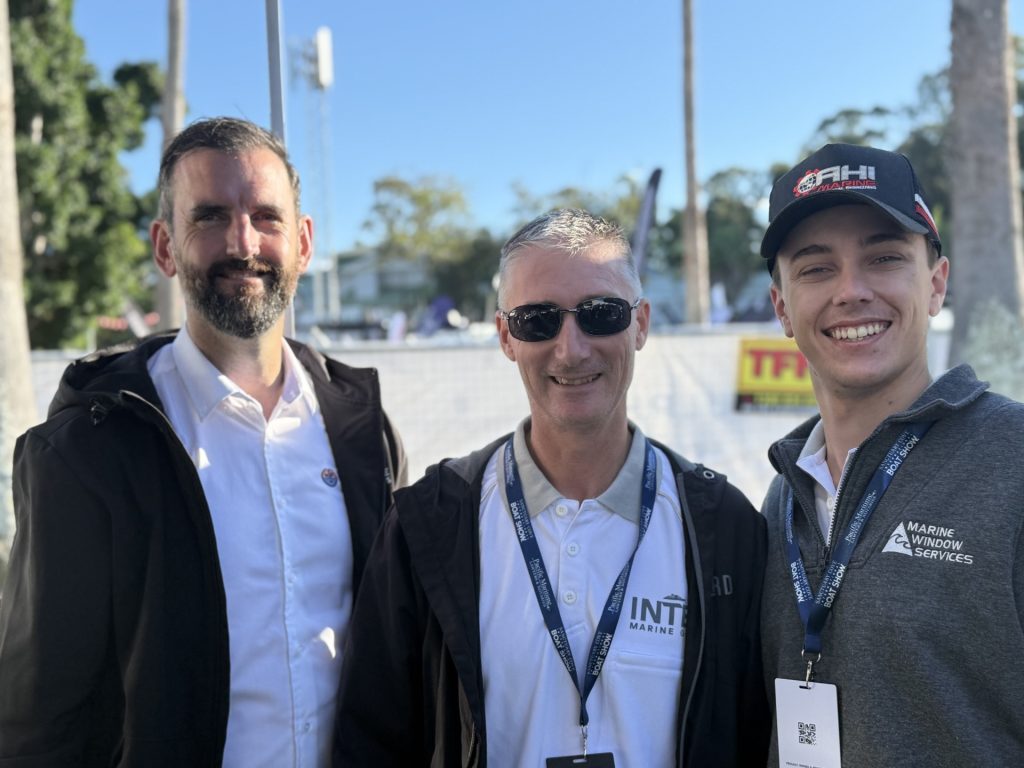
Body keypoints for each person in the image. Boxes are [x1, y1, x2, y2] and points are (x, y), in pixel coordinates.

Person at [0, 116, 406, 766]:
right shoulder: (87, 449)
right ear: (165, 247)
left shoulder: (363, 433)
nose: (243, 242)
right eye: (211, 217)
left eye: (266, 217)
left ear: (303, 242)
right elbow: (42, 711)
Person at [334, 208, 769, 767]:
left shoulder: (723, 527)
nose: (571, 349)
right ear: (505, 337)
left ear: (640, 324)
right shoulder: (431, 522)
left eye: (601, 314)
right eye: (538, 320)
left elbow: (756, 736)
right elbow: (372, 740)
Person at [759, 143, 1024, 766]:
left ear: (935, 284)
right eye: (816, 268)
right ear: (782, 309)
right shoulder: (783, 495)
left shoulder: (1014, 460)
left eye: (883, 258)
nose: (851, 291)